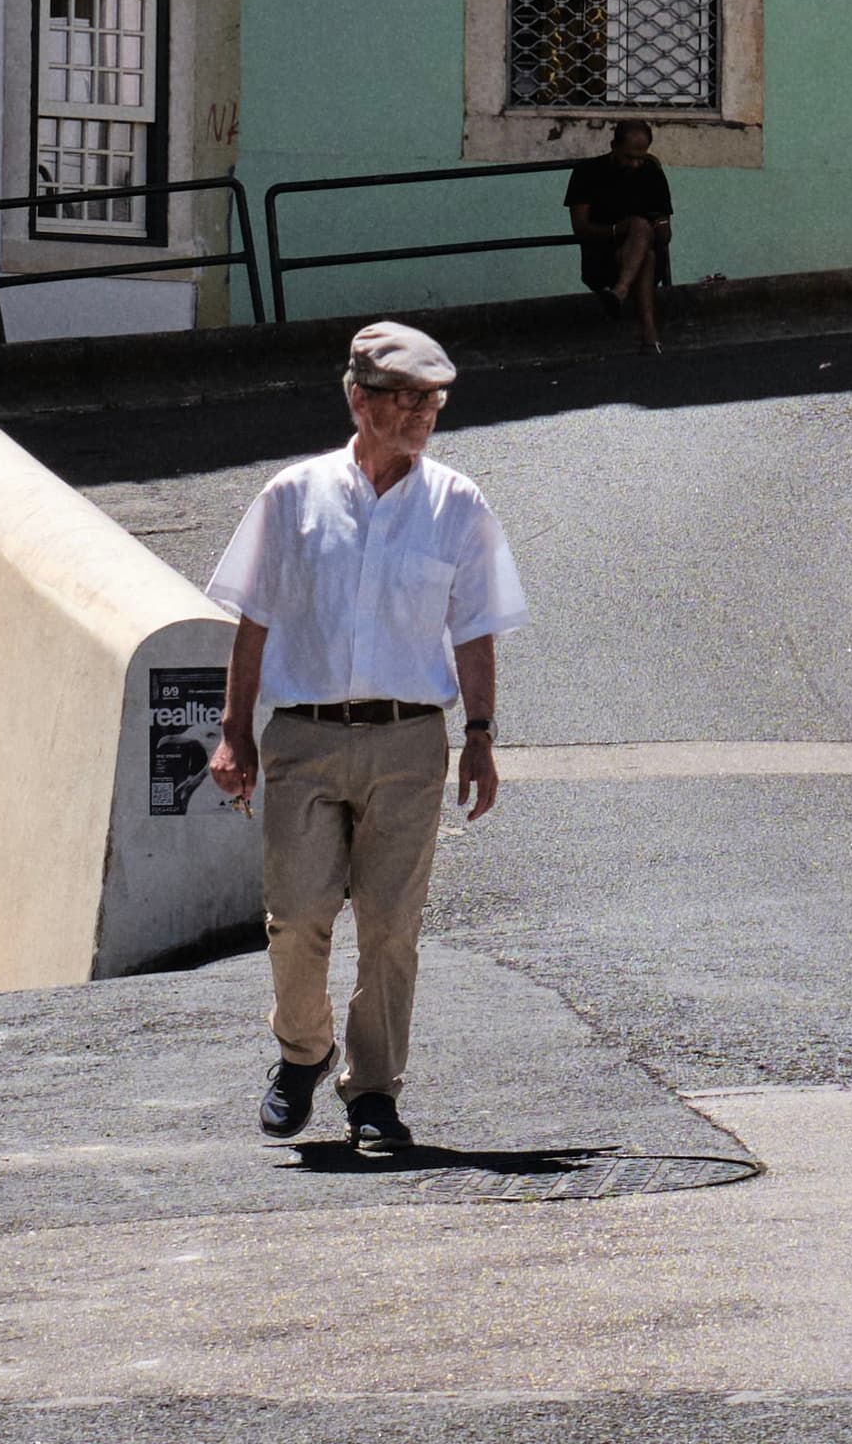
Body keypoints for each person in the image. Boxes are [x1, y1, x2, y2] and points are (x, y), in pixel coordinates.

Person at [205, 319, 528, 1157]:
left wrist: (482, 737)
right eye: (406, 399)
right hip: (304, 737)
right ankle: (303, 1051)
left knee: (391, 926)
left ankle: (375, 1092)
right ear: (359, 400)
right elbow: (254, 625)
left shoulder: (458, 504)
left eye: (434, 400)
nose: (424, 413)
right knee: (299, 916)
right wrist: (233, 735)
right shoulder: (293, 496)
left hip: (410, 740)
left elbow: (476, 630)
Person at [566, 118, 674, 353]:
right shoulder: (587, 173)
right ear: (613, 146)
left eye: (641, 157)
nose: (635, 164)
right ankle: (649, 334)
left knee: (644, 238)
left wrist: (658, 223)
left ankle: (620, 292)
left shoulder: (651, 174)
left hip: (643, 252)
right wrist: (618, 229)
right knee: (643, 244)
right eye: (629, 157)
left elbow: (666, 235)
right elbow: (581, 227)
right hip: (602, 257)